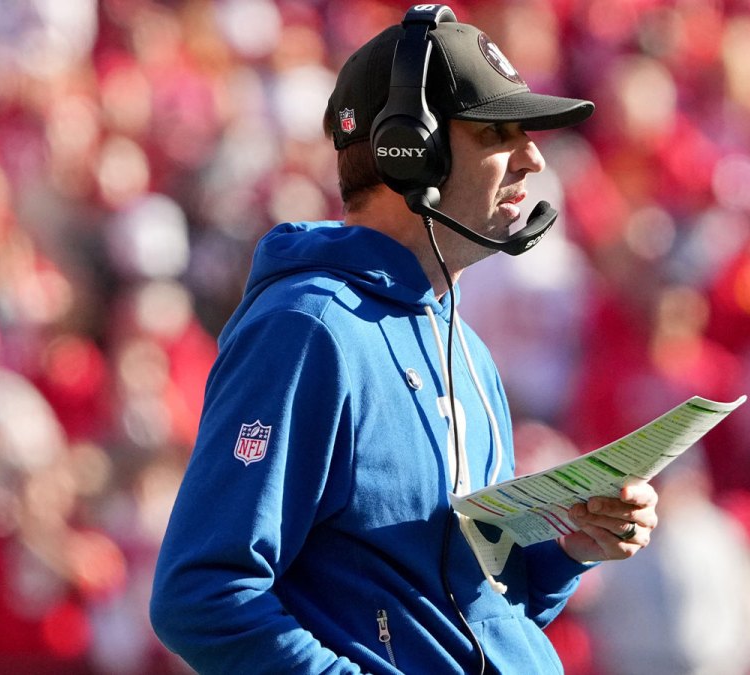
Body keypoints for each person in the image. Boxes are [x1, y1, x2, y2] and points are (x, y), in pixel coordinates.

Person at [148, 6, 659, 674]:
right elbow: (202, 592)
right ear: (410, 148)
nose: (534, 155)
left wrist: (567, 546)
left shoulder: (464, 346)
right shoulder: (307, 327)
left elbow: (472, 614)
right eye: (497, 131)